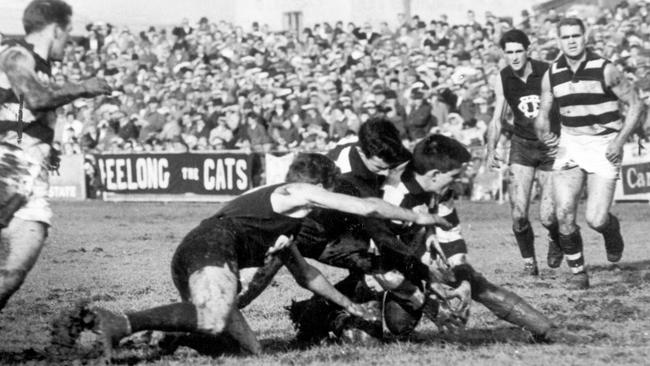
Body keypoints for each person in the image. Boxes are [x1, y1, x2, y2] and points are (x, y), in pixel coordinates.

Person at [76, 153, 450, 357]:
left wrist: (349, 307)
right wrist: (417, 215)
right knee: (212, 315)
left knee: (241, 349)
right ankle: (121, 322)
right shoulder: (295, 191)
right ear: (317, 186)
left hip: (198, 253)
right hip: (212, 246)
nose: (329, 202)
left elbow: (307, 276)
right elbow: (366, 208)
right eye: (328, 192)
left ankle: (160, 343)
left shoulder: (287, 222)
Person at [0, 0, 111, 311]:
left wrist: (49, 147)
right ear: (56, 29)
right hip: (5, 166)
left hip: (31, 176)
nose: (70, 40)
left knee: (15, 271)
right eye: (69, 31)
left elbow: (26, 111)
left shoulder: (43, 67)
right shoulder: (16, 53)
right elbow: (35, 99)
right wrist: (84, 86)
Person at [535, 18, 644, 289]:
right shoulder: (552, 73)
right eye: (565, 37)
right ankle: (579, 273)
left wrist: (619, 141)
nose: (571, 41)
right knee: (563, 212)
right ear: (558, 40)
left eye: (576, 35)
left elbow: (636, 105)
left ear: (586, 37)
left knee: (595, 219)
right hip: (570, 143)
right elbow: (543, 112)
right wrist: (544, 132)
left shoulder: (606, 69)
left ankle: (611, 229)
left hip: (603, 144)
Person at [486, 29, 561, 276]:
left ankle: (555, 238)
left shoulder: (547, 71)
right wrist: (491, 148)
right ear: (504, 54)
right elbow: (497, 118)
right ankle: (529, 262)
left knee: (548, 217)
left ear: (528, 51)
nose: (515, 57)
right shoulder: (503, 77)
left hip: (550, 146)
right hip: (522, 145)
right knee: (518, 214)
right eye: (509, 52)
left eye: (519, 51)